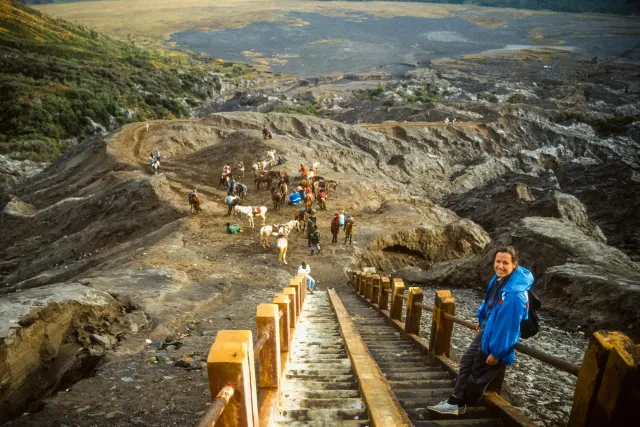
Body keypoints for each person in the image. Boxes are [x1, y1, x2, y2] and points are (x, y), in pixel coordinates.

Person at [427, 246, 534, 416]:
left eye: (505, 263)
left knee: (477, 371)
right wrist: (481, 319)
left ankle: (458, 404)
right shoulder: (499, 280)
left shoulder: (515, 294)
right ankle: (455, 402)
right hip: (488, 328)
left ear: (514, 264)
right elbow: (489, 303)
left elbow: (510, 327)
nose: (500, 266)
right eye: (498, 261)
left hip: (497, 338)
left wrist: (497, 353)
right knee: (467, 361)